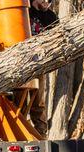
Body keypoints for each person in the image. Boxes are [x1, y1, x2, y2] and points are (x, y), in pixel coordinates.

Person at [28, 0, 59, 135]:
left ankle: (41, 132)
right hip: (20, 61)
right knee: (19, 99)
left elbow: (58, 35)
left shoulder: (50, 16)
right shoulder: (26, 10)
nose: (47, 2)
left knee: (38, 101)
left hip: (39, 63)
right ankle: (20, 126)